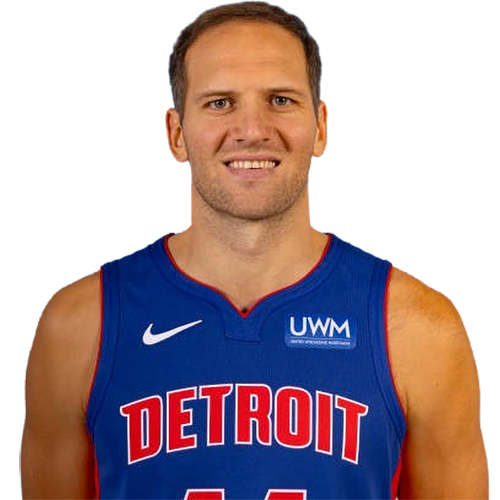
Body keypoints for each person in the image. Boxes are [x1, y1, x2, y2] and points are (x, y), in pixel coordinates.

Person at [20, 2, 489, 499]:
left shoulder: (418, 330)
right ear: (176, 134)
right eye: (220, 102)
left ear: (320, 128)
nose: (252, 129)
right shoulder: (80, 326)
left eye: (280, 100)